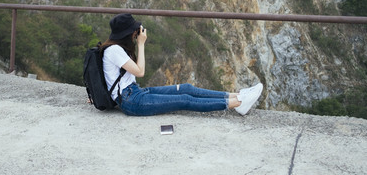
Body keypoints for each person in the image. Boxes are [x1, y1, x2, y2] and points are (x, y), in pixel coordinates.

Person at [101, 13, 263, 116]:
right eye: (135, 30)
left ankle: (236, 95)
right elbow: (140, 71)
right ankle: (237, 104)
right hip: (132, 102)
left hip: (135, 92)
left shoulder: (117, 48)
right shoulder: (114, 50)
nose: (138, 32)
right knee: (184, 99)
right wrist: (141, 44)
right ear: (128, 33)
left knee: (187, 88)